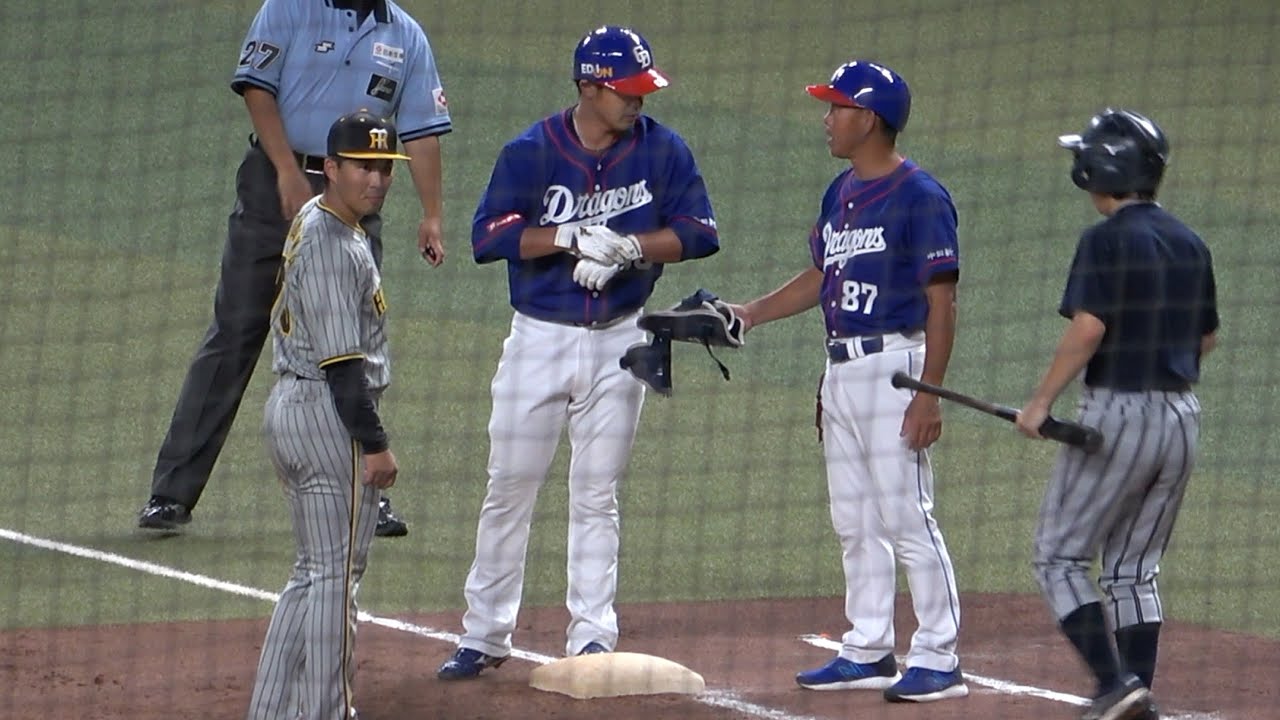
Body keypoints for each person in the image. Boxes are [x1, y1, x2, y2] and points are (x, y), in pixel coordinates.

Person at [436, 25, 719, 680]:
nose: (638, 101)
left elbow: (700, 231)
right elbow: (488, 236)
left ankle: (593, 636)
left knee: (597, 492)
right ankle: (484, 633)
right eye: (626, 91)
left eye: (643, 90)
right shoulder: (531, 152)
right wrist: (567, 236)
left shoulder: (664, 150)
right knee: (510, 486)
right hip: (539, 338)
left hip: (622, 338)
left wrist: (631, 247)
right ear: (589, 87)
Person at [139, 0, 452, 537]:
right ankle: (170, 494)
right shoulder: (288, 8)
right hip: (274, 188)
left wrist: (432, 214)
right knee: (235, 333)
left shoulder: (406, 36)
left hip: (353, 202)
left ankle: (364, 492)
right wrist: (287, 170)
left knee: (353, 347)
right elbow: (257, 89)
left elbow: (421, 132)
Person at [726, 60, 968, 704]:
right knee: (854, 519)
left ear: (870, 118)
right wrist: (752, 313)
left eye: (837, 107)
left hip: (897, 369)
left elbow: (942, 301)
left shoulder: (921, 196)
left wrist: (929, 394)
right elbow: (822, 276)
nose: (826, 119)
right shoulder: (841, 190)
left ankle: (939, 657)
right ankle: (867, 647)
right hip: (842, 369)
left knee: (907, 516)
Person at [1016, 109, 1218, 720]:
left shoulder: (1104, 239)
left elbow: (1089, 327)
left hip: (1119, 414)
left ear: (1103, 169)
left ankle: (1114, 683)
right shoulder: (1190, 241)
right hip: (1181, 417)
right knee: (1133, 569)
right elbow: (1205, 338)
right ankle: (1136, 697)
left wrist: (1041, 403)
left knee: (1058, 557)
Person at [246, 109, 404, 720]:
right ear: (330, 168)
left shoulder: (316, 217)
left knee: (313, 572)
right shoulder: (336, 246)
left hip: (292, 407)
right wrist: (375, 443)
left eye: (385, 167)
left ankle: (271, 711)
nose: (377, 180)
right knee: (338, 579)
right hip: (328, 416)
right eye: (364, 167)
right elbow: (344, 366)